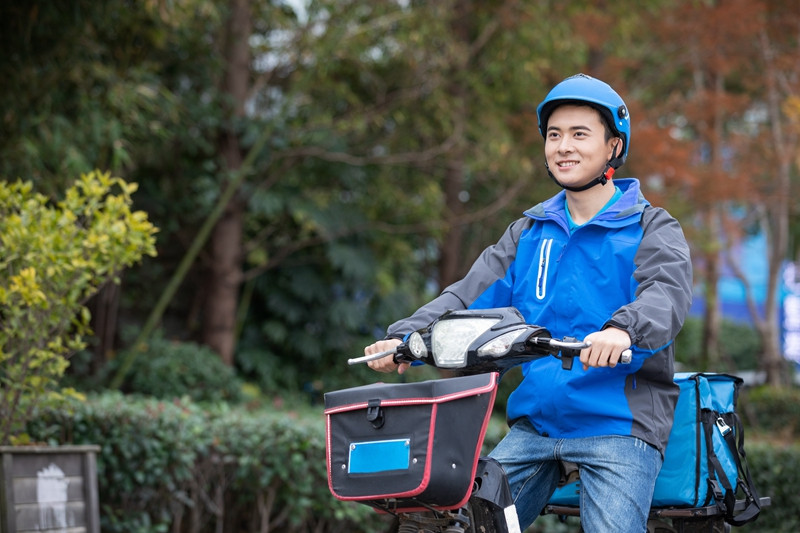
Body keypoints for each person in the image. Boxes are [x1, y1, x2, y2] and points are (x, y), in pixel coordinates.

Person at [364, 73, 693, 532]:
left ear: (613, 147)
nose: (563, 147)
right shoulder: (528, 232)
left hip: (617, 425)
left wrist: (623, 330)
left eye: (580, 134)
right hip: (536, 425)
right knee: (461, 523)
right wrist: (404, 336)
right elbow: (467, 294)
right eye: (554, 135)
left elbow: (667, 293)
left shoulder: (651, 226)